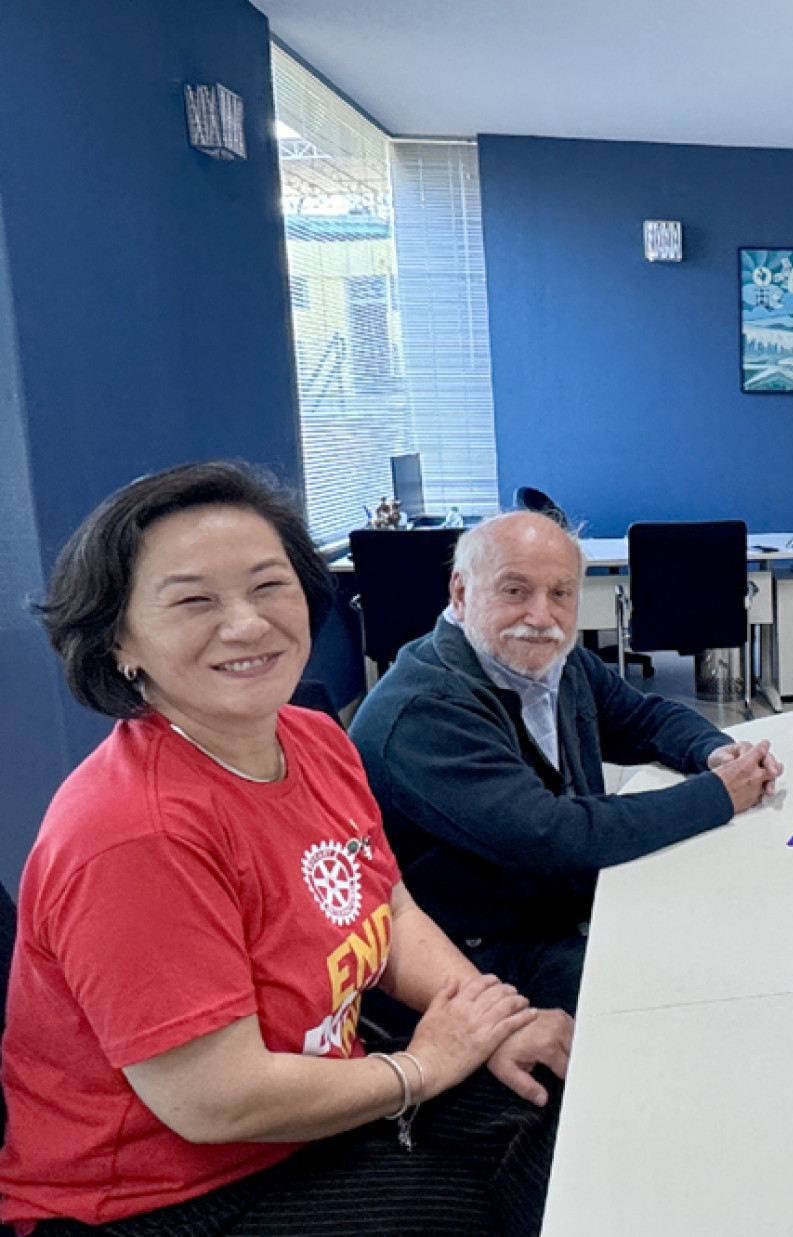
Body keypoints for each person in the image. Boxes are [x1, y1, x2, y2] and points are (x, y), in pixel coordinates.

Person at [0, 462, 569, 1235]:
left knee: (552, 1094)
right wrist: (423, 1066)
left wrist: (488, 1024)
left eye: (269, 586)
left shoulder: (313, 736)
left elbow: (390, 908)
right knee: (453, 1207)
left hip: (310, 1099)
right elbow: (212, 1099)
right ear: (121, 641)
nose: (245, 623)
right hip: (159, 1192)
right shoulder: (135, 832)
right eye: (194, 600)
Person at [349, 510, 782, 1015]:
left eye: (561, 593)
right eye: (515, 591)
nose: (541, 617)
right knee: (696, 986)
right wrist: (719, 794)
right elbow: (553, 836)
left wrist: (714, 752)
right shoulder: (424, 709)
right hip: (472, 959)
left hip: (551, 908)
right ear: (460, 593)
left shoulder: (560, 662)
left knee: (731, 921)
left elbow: (641, 719)